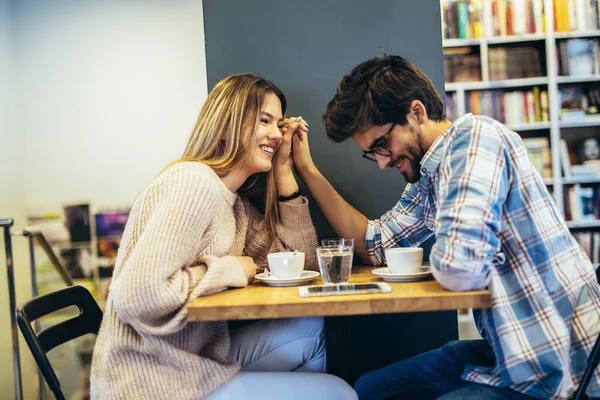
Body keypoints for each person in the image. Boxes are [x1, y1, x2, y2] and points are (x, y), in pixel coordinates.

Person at [290, 55, 600, 399]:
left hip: (556, 368)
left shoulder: (476, 139)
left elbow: (460, 267)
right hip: (506, 352)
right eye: (372, 153)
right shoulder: (429, 176)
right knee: (368, 388)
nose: (382, 162)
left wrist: (446, 255)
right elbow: (373, 244)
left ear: (417, 113)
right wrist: (307, 170)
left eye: (381, 145)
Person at [90, 73, 357, 400]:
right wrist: (229, 269)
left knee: (311, 329)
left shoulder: (235, 205)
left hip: (195, 361)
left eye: (279, 123)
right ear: (229, 122)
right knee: (339, 393)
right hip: (150, 381)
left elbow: (304, 263)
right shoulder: (194, 183)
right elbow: (138, 296)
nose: (275, 133)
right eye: (264, 121)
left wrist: (286, 170)